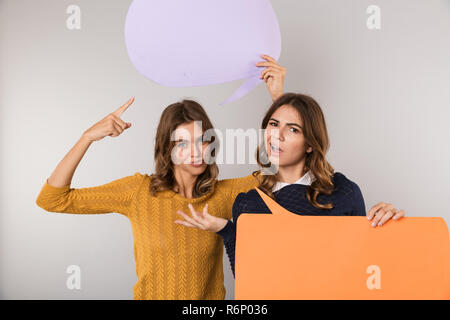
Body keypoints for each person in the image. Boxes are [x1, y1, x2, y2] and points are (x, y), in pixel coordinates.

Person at [35, 54, 286, 299]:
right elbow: (53, 199)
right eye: (182, 143)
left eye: (201, 141)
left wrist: (279, 99)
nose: (195, 152)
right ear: (167, 148)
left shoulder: (223, 196)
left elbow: (283, 172)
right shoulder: (139, 191)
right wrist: (87, 137)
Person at [174, 92, 406, 277]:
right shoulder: (249, 203)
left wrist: (386, 224)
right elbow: (249, 282)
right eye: (274, 125)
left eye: (293, 129)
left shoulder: (343, 192)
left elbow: (364, 267)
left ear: (310, 144)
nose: (278, 135)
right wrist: (227, 230)